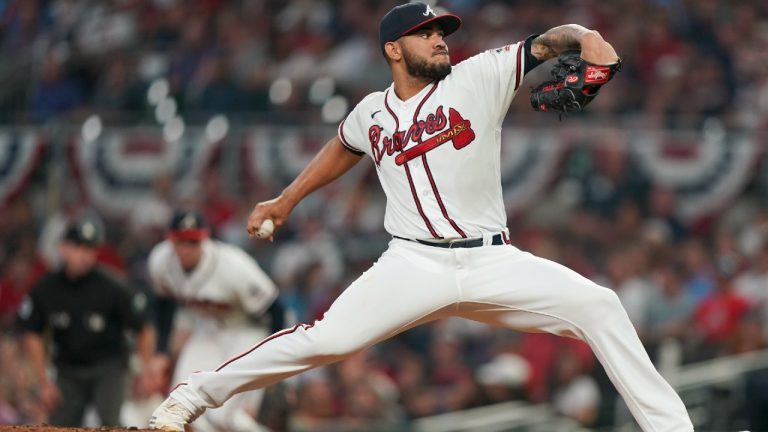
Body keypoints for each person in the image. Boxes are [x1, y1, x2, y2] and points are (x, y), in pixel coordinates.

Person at [150, 3, 694, 431]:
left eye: (443, 32)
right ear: (394, 47)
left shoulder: (479, 75)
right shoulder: (372, 111)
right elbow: (344, 145)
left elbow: (551, 41)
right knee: (325, 341)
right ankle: (191, 395)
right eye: (427, 33)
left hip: (491, 260)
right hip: (412, 264)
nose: (440, 40)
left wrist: (589, 39)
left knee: (600, 306)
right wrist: (286, 199)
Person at [147, 209, 282, 431]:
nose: (186, 249)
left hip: (248, 330)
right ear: (170, 240)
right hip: (208, 328)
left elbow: (276, 311)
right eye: (180, 241)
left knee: (226, 417)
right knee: (179, 404)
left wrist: (271, 360)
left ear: (205, 239)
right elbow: (164, 304)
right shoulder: (160, 261)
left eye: (193, 242)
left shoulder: (233, 266)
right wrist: (161, 352)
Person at [16, 217, 155, 427]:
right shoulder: (46, 288)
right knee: (60, 425)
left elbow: (144, 327)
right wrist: (43, 382)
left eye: (90, 249)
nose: (85, 255)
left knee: (110, 423)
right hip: (68, 368)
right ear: (63, 248)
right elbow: (31, 332)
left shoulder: (112, 285)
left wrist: (144, 371)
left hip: (109, 367)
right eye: (79, 247)